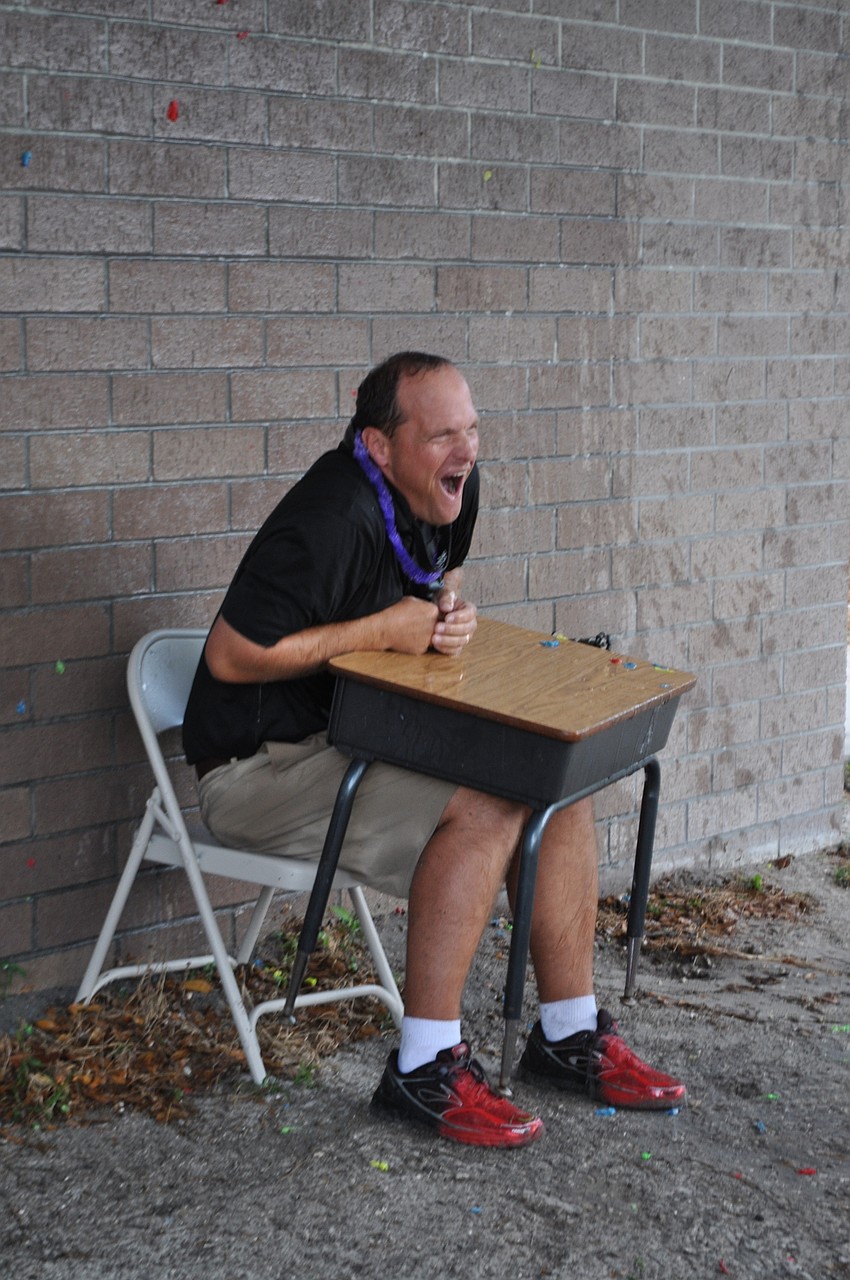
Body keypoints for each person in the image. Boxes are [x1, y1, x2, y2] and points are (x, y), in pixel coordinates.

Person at [182, 351, 685, 1148]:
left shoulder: (450, 494)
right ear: (381, 447)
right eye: (443, 435)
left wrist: (441, 613)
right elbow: (229, 656)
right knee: (489, 810)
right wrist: (385, 630)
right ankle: (422, 1071)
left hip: (349, 737)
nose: (466, 453)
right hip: (258, 768)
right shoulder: (330, 516)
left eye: (473, 431)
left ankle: (568, 1033)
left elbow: (419, 582)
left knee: (554, 780)